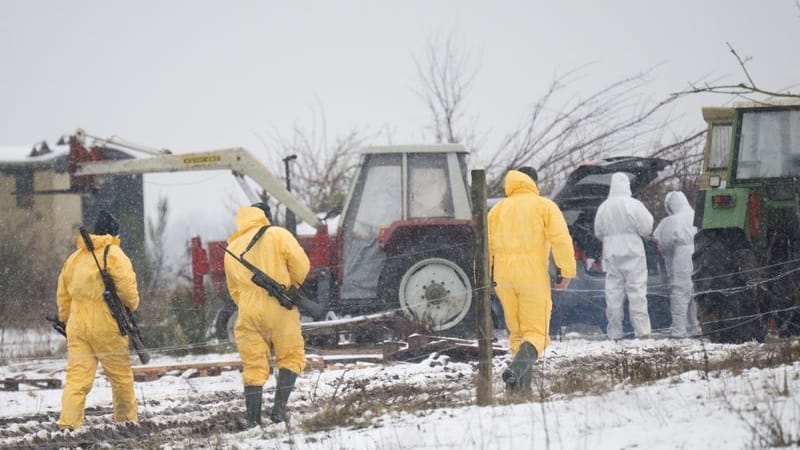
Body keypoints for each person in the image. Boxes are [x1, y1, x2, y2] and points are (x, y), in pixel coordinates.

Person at [488, 170, 575, 394]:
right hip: (532, 275)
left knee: (517, 334)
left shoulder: (496, 210)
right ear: (533, 182)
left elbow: (485, 247)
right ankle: (516, 370)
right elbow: (561, 240)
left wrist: (486, 278)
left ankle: (518, 390)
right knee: (537, 334)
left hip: (503, 277)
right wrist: (565, 271)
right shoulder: (544, 206)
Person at [224, 202, 310, 426]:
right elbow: (301, 266)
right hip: (279, 307)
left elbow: (233, 289)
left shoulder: (232, 247)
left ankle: (253, 421)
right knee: (291, 357)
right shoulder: (278, 234)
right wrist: (292, 285)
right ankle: (279, 412)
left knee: (253, 366)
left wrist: (249, 303)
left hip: (247, 312)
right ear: (266, 217)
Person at [56, 210, 141, 430]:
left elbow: (63, 296)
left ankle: (68, 425)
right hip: (106, 324)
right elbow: (128, 293)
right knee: (120, 377)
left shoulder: (73, 259)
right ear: (113, 232)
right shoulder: (114, 254)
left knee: (77, 379)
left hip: (77, 326)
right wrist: (132, 306)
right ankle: (126, 422)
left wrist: (66, 321)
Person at [594, 172, 654, 340]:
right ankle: (642, 332)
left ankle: (615, 332)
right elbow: (647, 227)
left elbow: (598, 231)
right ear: (627, 185)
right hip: (633, 250)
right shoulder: (633, 204)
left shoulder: (604, 207)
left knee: (613, 294)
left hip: (611, 251)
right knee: (637, 292)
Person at [653, 190, 701, 338]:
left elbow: (664, 244)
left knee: (680, 292)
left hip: (682, 256)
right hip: (699, 253)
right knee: (694, 292)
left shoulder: (673, 220)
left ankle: (679, 330)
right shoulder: (697, 215)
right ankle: (695, 326)